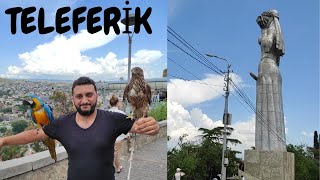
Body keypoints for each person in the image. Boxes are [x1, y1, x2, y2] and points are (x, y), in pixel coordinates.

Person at [0, 77, 160, 180]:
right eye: (79, 96)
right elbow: (34, 134)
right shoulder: (62, 123)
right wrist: (4, 140)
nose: (85, 100)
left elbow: (142, 126)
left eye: (89, 95)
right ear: (73, 99)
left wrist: (154, 126)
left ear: (97, 95)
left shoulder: (114, 119)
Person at [108, 95, 126, 173]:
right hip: (118, 138)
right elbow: (125, 126)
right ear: (117, 103)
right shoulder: (121, 113)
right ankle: (110, 170)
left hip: (108, 137)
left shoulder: (106, 113)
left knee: (115, 153)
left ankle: (118, 167)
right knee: (114, 154)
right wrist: (127, 136)